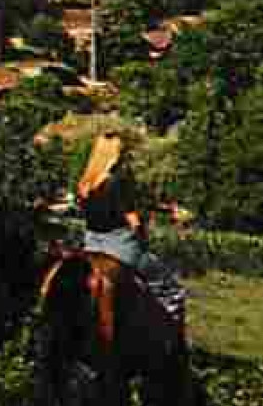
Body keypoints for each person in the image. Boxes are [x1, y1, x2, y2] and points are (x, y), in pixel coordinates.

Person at [77, 132, 187, 327]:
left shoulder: (86, 182)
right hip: (120, 247)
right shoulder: (120, 178)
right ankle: (170, 334)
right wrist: (142, 238)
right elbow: (132, 219)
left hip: (91, 244)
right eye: (122, 151)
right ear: (115, 154)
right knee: (170, 287)